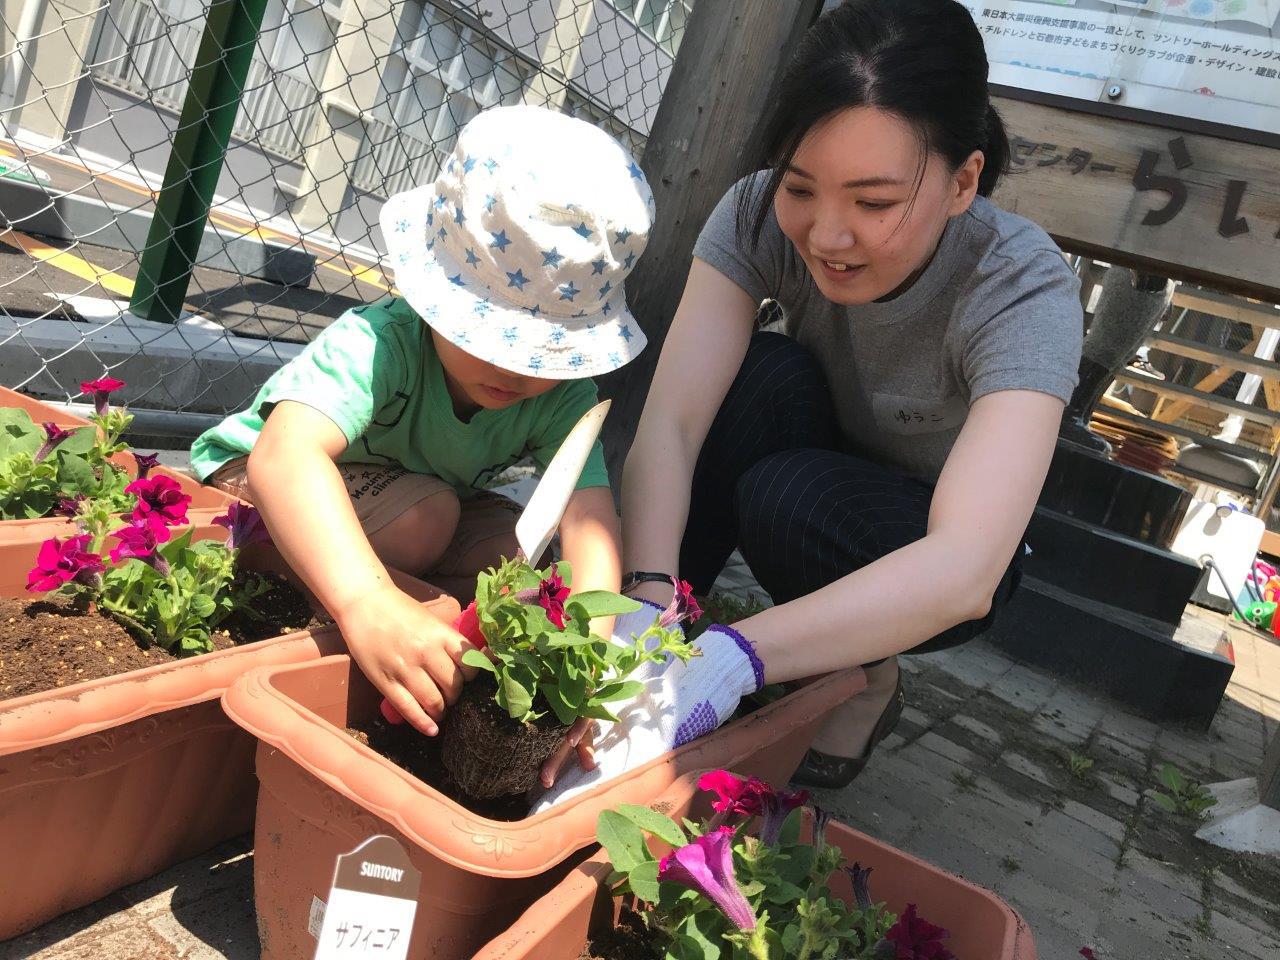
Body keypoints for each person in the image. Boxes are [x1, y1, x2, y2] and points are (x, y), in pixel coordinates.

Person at [538, 0, 1083, 805]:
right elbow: (675, 423)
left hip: (921, 534)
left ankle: (860, 674)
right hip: (809, 453)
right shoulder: (757, 215)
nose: (828, 234)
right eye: (802, 186)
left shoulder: (1020, 285)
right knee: (757, 375)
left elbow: (966, 567)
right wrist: (648, 592)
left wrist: (734, 659)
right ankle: (636, 672)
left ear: (964, 181)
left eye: (872, 203)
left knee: (790, 498)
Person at [190, 106, 654, 752]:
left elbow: (591, 527)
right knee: (430, 516)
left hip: (392, 499)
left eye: (539, 355)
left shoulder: (562, 401)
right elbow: (283, 457)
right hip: (245, 495)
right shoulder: (384, 344)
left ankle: (411, 619)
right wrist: (367, 605)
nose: (507, 369)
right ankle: (331, 593)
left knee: (516, 564)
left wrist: (583, 666)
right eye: (484, 334)